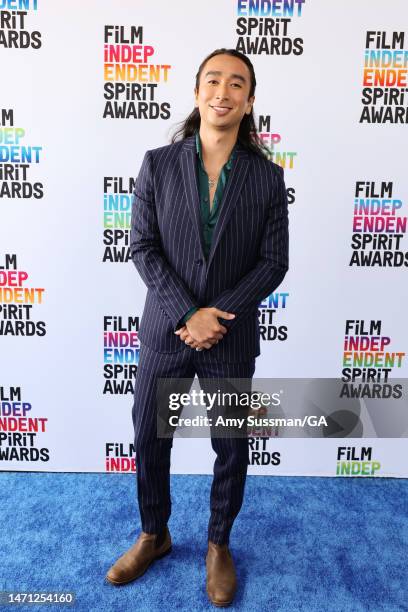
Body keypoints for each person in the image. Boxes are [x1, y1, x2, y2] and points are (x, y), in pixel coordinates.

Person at [106, 47, 289, 607]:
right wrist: (189, 313)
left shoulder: (266, 176)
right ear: (195, 92)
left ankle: (218, 544)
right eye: (214, 80)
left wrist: (217, 316)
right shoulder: (158, 164)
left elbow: (273, 261)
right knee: (149, 434)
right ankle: (154, 533)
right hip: (168, 330)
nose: (223, 91)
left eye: (237, 84)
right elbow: (142, 247)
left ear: (249, 100)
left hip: (229, 339)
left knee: (231, 445)